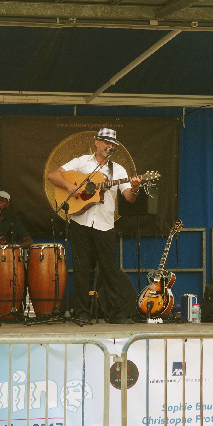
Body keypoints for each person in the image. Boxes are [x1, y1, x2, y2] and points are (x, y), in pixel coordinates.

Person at [47, 128, 141, 324]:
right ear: (97, 142)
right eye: (106, 142)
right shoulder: (81, 162)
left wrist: (135, 188)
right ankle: (82, 312)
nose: (109, 146)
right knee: (81, 269)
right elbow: (53, 175)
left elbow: (129, 198)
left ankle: (115, 313)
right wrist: (70, 186)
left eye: (112, 144)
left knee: (109, 269)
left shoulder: (119, 170)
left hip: (105, 225)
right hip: (80, 222)